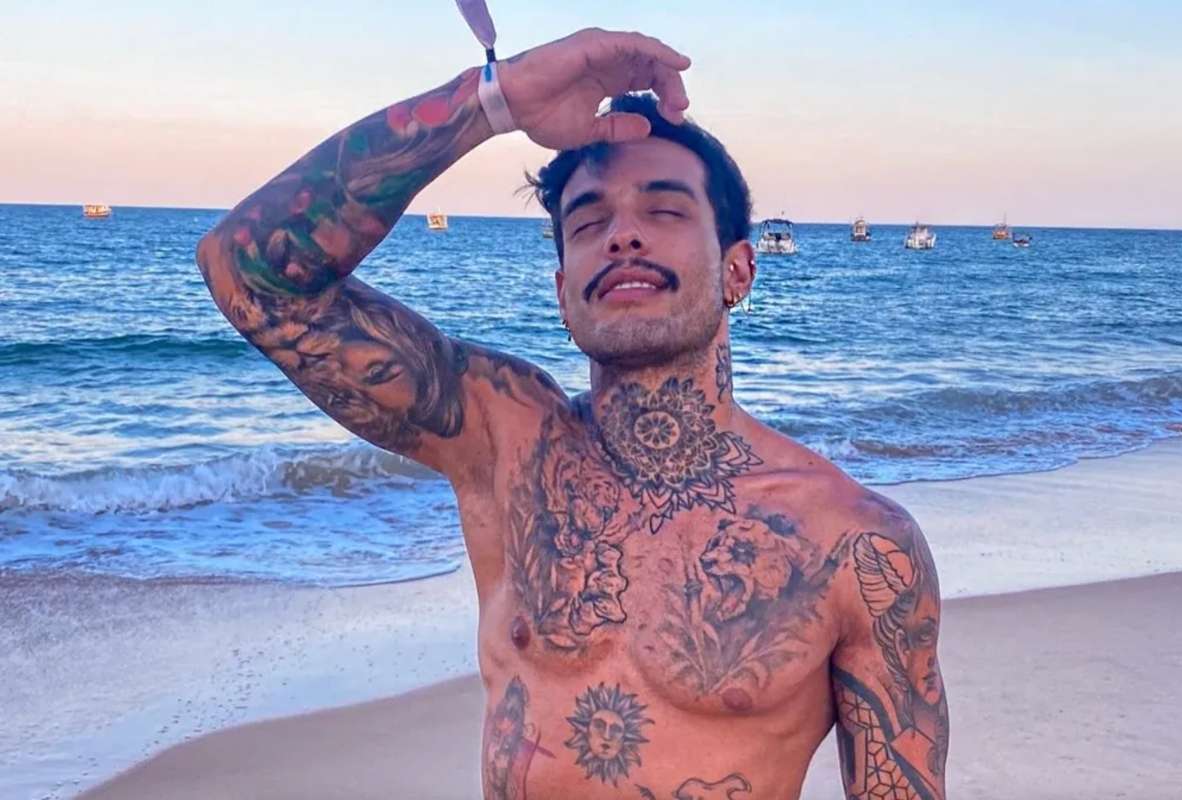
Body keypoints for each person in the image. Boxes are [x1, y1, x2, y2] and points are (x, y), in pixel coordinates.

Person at [196, 27, 949, 800]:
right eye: (589, 222)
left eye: (664, 211)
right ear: (563, 291)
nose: (622, 235)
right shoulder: (506, 440)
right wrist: (492, 102)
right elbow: (248, 274)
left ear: (738, 270)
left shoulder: (855, 544)